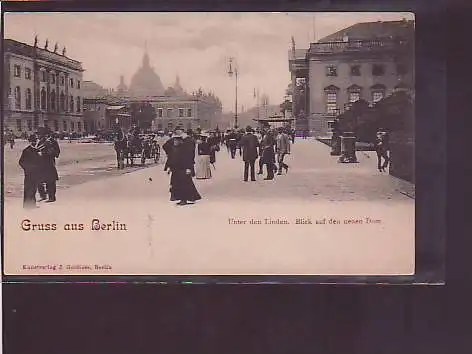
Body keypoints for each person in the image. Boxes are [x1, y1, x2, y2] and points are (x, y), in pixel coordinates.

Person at [164, 128, 201, 206]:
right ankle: (189, 197)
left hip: (183, 169)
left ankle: (184, 199)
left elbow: (188, 158)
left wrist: (188, 168)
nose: (175, 142)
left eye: (176, 140)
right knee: (180, 184)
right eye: (174, 140)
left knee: (184, 184)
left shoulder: (183, 149)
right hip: (177, 169)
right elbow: (171, 157)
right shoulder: (175, 149)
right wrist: (170, 168)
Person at [36, 127, 60, 202]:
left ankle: (51, 197)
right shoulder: (41, 142)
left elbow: (57, 154)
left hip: (49, 164)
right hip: (40, 164)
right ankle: (43, 195)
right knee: (39, 181)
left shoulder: (53, 142)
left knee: (50, 181)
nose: (38, 136)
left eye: (39, 134)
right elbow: (37, 151)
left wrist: (49, 148)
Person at [19, 134, 43, 208]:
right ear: (30, 142)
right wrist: (28, 168)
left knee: (34, 189)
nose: (34, 142)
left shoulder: (36, 150)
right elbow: (21, 162)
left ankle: (32, 204)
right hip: (29, 174)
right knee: (28, 189)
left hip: (35, 173)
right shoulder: (26, 150)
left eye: (35, 141)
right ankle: (27, 205)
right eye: (33, 141)